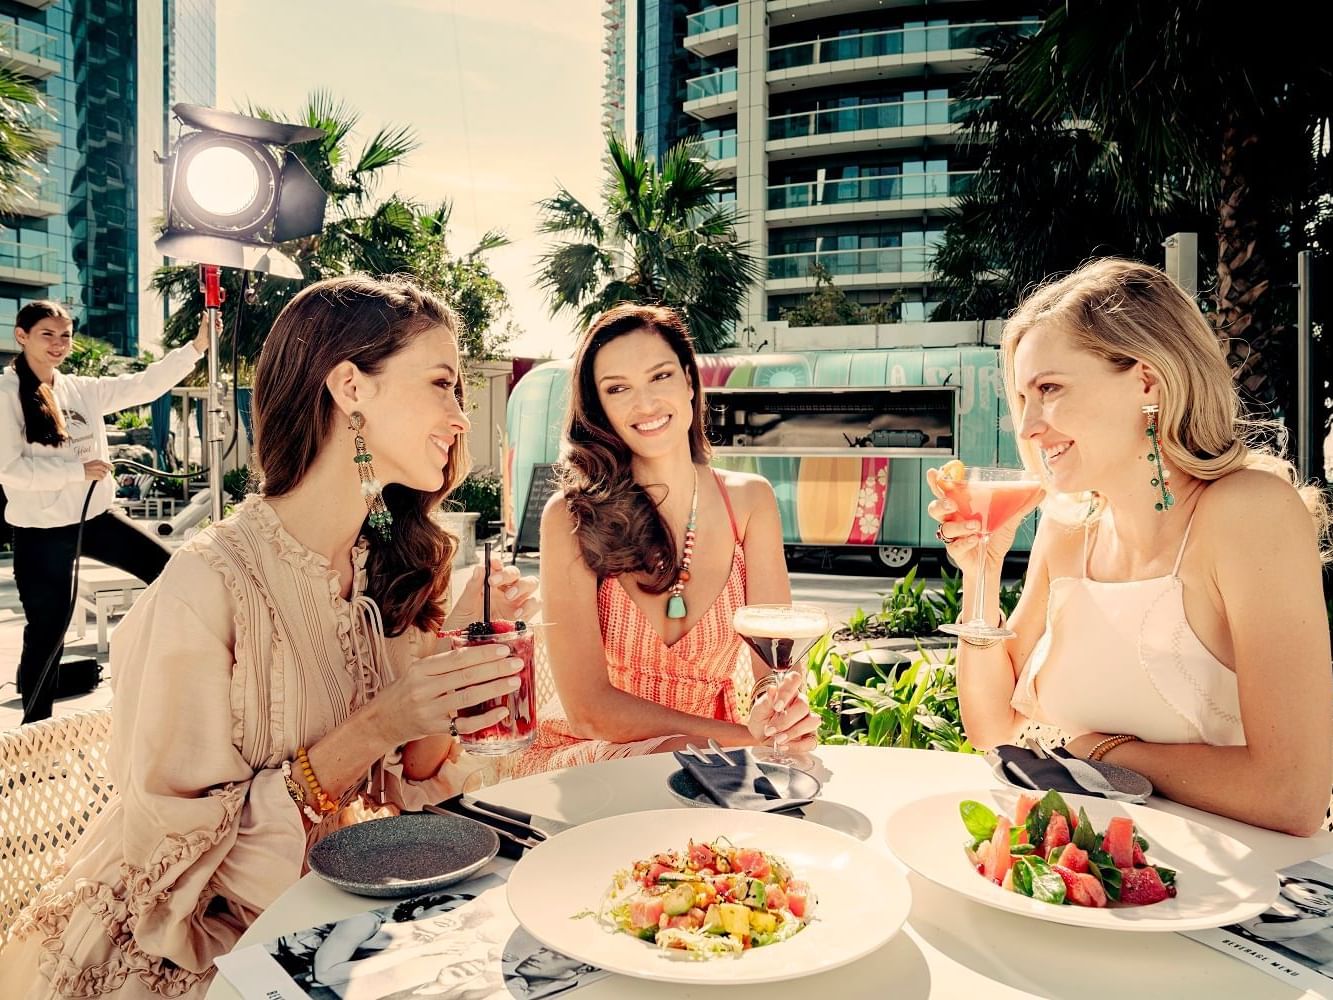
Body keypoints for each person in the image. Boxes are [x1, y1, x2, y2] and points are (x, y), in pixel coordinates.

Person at [0, 275, 539, 999]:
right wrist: (385, 718)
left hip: (347, 914)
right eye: (443, 384)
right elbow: (173, 862)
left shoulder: (389, 561)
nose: (460, 416)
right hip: (196, 949)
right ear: (350, 387)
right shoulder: (207, 584)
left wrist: (447, 668)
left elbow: (413, 795)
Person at [927, 258, 1332, 836]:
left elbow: (1293, 794)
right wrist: (982, 572)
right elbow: (994, 728)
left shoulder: (1249, 513)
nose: (1027, 426)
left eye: (1050, 389)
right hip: (1091, 881)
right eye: (1022, 397)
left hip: (1242, 906)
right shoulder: (1068, 526)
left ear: (1147, 380)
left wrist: (1099, 752)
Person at [515, 303, 818, 776]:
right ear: (600, 409)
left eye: (659, 377)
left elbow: (772, 668)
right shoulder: (572, 517)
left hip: (710, 767)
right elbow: (589, 710)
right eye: (618, 389)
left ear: (689, 382)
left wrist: (777, 712)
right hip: (596, 760)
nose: (645, 404)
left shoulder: (751, 503)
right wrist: (744, 737)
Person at [0, 300, 217, 722]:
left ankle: (170, 674)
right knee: (47, 632)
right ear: (21, 336)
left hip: (95, 519)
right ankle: (35, 733)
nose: (59, 344)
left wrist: (196, 347)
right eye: (48, 334)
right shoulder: (6, 395)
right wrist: (74, 471)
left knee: (171, 570)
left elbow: (144, 385)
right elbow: (9, 470)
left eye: (65, 335)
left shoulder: (81, 389)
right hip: (40, 530)